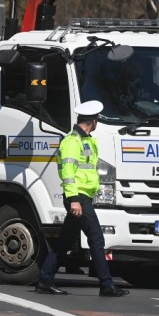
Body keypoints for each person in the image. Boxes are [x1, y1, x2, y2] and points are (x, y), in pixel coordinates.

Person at [36, 100, 129, 297]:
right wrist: (74, 199)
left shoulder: (86, 140)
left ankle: (45, 279)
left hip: (83, 196)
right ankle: (106, 284)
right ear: (93, 121)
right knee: (96, 238)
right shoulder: (72, 142)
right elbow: (68, 173)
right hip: (78, 197)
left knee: (65, 241)